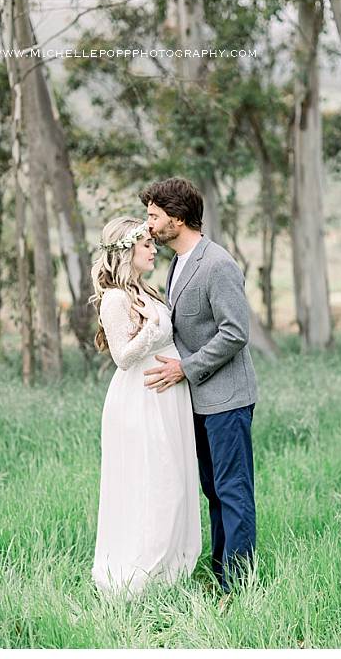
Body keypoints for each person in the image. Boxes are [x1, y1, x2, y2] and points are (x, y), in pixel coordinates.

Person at [141, 177, 258, 595]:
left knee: (233, 490)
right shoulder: (177, 263)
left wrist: (184, 369)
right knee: (212, 490)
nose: (149, 224)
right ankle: (220, 572)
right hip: (196, 402)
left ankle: (238, 588)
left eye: (154, 216)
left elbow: (235, 332)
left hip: (226, 397)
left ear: (177, 217)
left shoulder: (217, 264)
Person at [90, 216, 201, 597]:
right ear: (126, 250)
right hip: (139, 399)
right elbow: (122, 356)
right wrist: (152, 331)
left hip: (168, 396)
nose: (154, 249)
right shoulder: (116, 299)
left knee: (175, 481)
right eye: (147, 244)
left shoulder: (148, 292)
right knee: (152, 482)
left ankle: (172, 568)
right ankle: (139, 573)